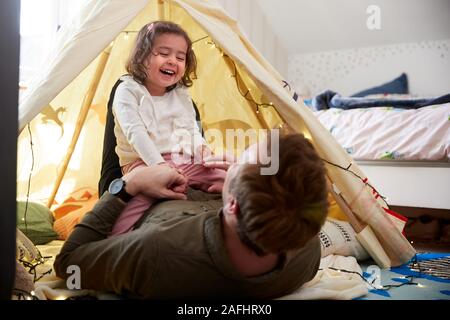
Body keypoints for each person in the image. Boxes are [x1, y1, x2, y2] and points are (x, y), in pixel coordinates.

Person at [54, 133, 329, 299]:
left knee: (124, 94)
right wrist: (246, 182)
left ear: (233, 207)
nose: (233, 162)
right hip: (211, 197)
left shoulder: (154, 252)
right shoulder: (307, 247)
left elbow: (69, 265)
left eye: (241, 159)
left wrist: (130, 185)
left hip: (147, 196)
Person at [110, 21, 225, 236]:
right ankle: (116, 238)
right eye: (164, 53)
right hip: (142, 163)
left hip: (182, 160)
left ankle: (244, 216)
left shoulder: (180, 94)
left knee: (226, 176)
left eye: (180, 58)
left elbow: (190, 130)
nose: (173, 61)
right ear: (142, 56)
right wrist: (160, 167)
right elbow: (136, 134)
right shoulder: (127, 90)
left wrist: (203, 150)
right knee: (141, 199)